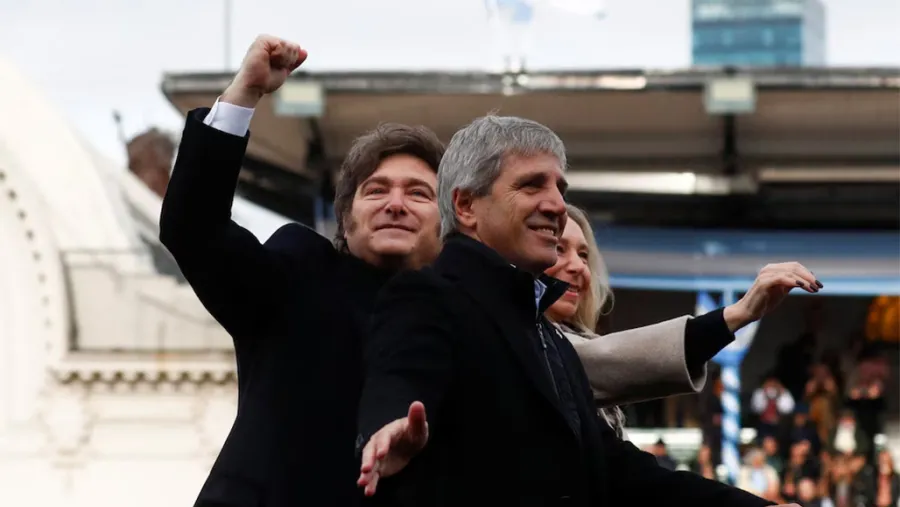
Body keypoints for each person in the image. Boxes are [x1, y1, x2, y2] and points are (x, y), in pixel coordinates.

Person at [356, 114, 807, 506]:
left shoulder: (547, 337)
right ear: (467, 205)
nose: (556, 205)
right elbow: (403, 373)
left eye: (559, 187)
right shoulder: (427, 297)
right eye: (532, 184)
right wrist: (389, 424)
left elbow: (615, 469)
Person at [160, 35, 445, 506]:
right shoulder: (302, 272)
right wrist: (244, 94)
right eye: (376, 191)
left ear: (449, 222)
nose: (395, 204)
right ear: (346, 217)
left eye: (418, 193)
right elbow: (194, 229)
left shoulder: (459, 312)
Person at [544, 204, 818, 438]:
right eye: (558, 249)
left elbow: (629, 471)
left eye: (583, 255)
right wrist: (739, 313)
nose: (579, 266)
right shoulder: (535, 348)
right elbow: (599, 359)